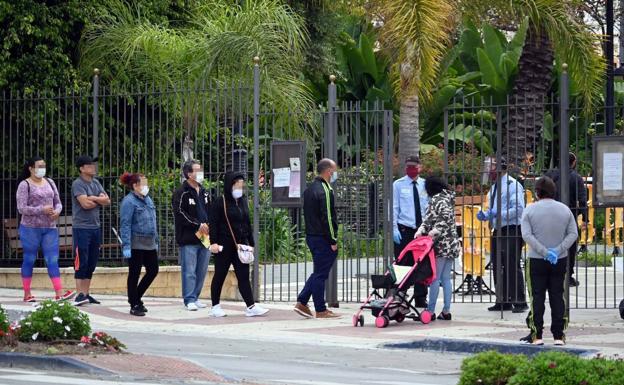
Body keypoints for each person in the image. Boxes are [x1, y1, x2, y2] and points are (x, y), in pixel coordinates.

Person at [520, 176, 578, 345]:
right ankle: (558, 335)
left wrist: (544, 252)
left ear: (537, 192)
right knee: (557, 296)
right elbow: (573, 234)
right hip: (559, 259)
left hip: (536, 259)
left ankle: (536, 335)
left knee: (536, 296)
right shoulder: (565, 210)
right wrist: (558, 250)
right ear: (554, 191)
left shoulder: (530, 210)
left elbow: (526, 235)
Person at [209, 171, 269, 317]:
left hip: (240, 245)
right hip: (224, 245)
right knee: (220, 274)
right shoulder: (219, 202)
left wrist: (251, 243)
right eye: (237, 185)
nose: (239, 189)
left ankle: (250, 306)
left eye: (242, 186)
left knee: (243, 275)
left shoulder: (242, 201)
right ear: (230, 185)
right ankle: (215, 306)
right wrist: (214, 243)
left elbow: (247, 223)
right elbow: (214, 224)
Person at [16, 157, 74, 302]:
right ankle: (27, 293)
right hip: (30, 228)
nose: (42, 168)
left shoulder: (50, 182)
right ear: (31, 168)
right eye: (39, 166)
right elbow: (21, 208)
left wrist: (57, 211)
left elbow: (58, 202)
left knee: (52, 259)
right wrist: (41, 209)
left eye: (44, 165)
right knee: (29, 259)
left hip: (49, 227)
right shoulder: (24, 185)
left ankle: (59, 293)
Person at [477, 157, 528, 313]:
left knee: (512, 264)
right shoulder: (494, 188)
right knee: (498, 264)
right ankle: (502, 300)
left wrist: (499, 214)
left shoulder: (512, 185)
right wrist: (487, 215)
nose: (489, 170)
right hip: (498, 229)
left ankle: (519, 301)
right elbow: (494, 207)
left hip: (512, 229)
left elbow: (518, 209)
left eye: (491, 167)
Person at [294, 158, 341, 319]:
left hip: (312, 236)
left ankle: (302, 301)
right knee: (320, 275)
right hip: (322, 238)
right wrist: (333, 240)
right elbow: (327, 218)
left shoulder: (309, 189)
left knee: (318, 273)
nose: (335, 174)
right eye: (334, 171)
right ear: (329, 171)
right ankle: (320, 309)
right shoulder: (325, 190)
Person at [415, 176, 461, 321]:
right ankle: (446, 310)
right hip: (452, 245)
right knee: (446, 278)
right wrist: (422, 228)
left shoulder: (437, 200)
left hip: (441, 245)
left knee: (435, 278)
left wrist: (434, 230)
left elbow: (438, 217)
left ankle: (430, 310)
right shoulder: (447, 198)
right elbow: (432, 217)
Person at [172, 160, 212, 311]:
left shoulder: (205, 191)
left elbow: (211, 211)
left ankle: (195, 296)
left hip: (205, 236)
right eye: (197, 170)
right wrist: (198, 224)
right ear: (189, 174)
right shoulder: (181, 193)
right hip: (188, 237)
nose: (200, 172)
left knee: (201, 269)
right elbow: (180, 213)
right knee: (189, 270)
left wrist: (209, 225)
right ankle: (189, 299)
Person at [72, 155, 111, 306]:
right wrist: (98, 200)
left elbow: (107, 200)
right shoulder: (78, 184)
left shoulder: (96, 183)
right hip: (81, 227)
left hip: (95, 226)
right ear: (81, 169)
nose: (93, 168)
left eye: (93, 165)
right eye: (89, 165)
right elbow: (85, 204)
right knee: (81, 259)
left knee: (92, 261)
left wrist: (93, 198)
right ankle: (79, 294)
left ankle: (87, 293)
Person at [545, 152, 588, 287]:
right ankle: (567, 275)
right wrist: (585, 218)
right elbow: (582, 199)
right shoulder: (576, 178)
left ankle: (551, 274)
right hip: (568, 215)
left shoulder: (549, 175)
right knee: (569, 246)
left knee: (550, 244)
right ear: (573, 162)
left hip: (549, 215)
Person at [119, 172, 159, 317]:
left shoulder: (148, 200)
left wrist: (156, 240)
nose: (146, 186)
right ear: (135, 185)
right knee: (134, 273)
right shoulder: (128, 202)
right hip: (136, 242)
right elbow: (125, 224)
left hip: (149, 242)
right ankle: (134, 304)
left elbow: (153, 221)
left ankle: (135, 297)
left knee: (153, 270)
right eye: (144, 183)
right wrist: (126, 246)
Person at [392, 155, 429, 307]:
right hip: (405, 229)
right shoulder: (398, 184)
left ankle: (421, 298)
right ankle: (400, 295)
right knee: (402, 263)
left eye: (414, 167)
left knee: (422, 264)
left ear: (419, 167)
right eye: (408, 167)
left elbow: (429, 207)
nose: (411, 170)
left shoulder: (425, 184)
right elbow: (394, 207)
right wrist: (394, 228)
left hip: (422, 229)